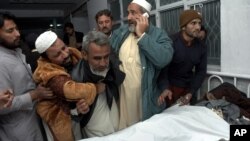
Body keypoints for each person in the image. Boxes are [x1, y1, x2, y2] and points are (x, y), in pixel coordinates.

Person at [110, 0, 173, 129]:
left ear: (145, 16)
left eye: (133, 13)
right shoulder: (121, 33)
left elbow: (164, 59)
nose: (128, 17)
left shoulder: (159, 35)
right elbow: (108, 53)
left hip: (144, 102)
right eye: (128, 13)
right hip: (122, 100)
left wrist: (142, 35)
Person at [33, 30, 104, 141]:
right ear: (48, 59)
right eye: (57, 54)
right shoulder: (46, 72)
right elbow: (70, 90)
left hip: (75, 113)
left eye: (64, 47)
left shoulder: (71, 53)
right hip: (57, 117)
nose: (65, 54)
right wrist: (97, 87)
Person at [0, 11, 54, 141]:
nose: (17, 34)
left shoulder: (16, 52)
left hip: (35, 121)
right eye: (10, 31)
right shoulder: (1, 62)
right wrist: (35, 94)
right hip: (19, 132)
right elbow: (2, 106)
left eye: (17, 29)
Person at [70, 31, 125, 138]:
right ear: (84, 54)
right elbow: (68, 112)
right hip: (94, 130)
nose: (103, 63)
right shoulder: (76, 78)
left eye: (106, 57)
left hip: (117, 125)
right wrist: (77, 110)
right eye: (97, 58)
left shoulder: (112, 64)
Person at [157, 9, 207, 107]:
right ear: (183, 26)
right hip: (170, 90)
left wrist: (191, 92)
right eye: (193, 23)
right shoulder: (170, 43)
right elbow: (162, 69)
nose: (198, 27)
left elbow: (201, 71)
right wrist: (165, 88)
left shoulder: (201, 46)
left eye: (199, 23)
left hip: (189, 90)